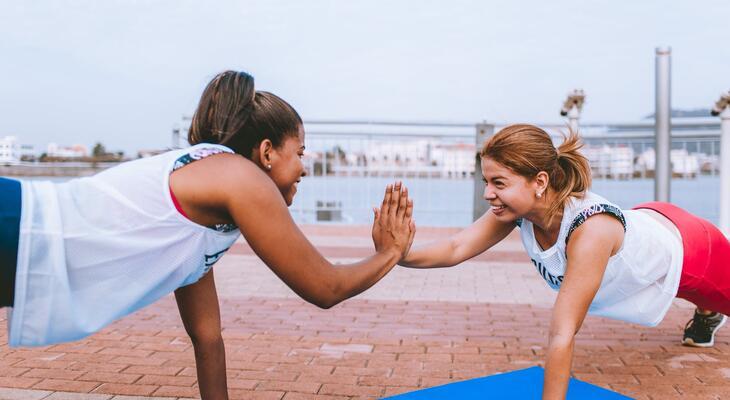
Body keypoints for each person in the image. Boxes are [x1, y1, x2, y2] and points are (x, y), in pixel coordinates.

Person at [0, 70, 415, 400]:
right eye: (300, 153)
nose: (304, 168)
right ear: (268, 152)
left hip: (18, 239)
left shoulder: (206, 213)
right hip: (17, 225)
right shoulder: (239, 177)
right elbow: (325, 288)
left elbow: (207, 336)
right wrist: (390, 252)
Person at [399, 124, 729, 400]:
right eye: (487, 182)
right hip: (647, 221)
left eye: (499, 182)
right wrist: (397, 253)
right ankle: (706, 310)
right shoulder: (519, 210)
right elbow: (456, 247)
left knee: (705, 292)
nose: (488, 193)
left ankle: (707, 310)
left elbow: (562, 334)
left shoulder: (591, 231)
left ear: (540, 181)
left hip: (692, 250)